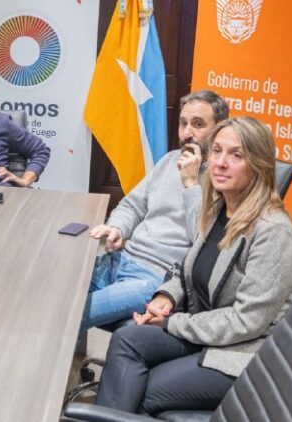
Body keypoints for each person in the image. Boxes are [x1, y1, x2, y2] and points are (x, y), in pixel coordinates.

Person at [94, 117, 292, 414]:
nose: (220, 163)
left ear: (259, 165)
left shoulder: (273, 231)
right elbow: (189, 266)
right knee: (128, 339)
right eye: (216, 151)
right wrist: (167, 297)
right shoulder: (219, 207)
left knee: (141, 388)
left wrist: (173, 323)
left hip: (242, 351)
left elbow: (247, 322)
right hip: (205, 329)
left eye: (236, 155)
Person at [83, 90, 229, 330]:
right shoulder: (170, 160)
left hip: (154, 278)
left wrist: (191, 184)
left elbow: (204, 242)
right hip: (120, 260)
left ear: (220, 129)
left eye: (198, 124)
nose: (187, 133)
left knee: (70, 313)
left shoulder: (224, 179)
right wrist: (117, 227)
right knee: (57, 290)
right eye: (183, 124)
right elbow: (133, 204)